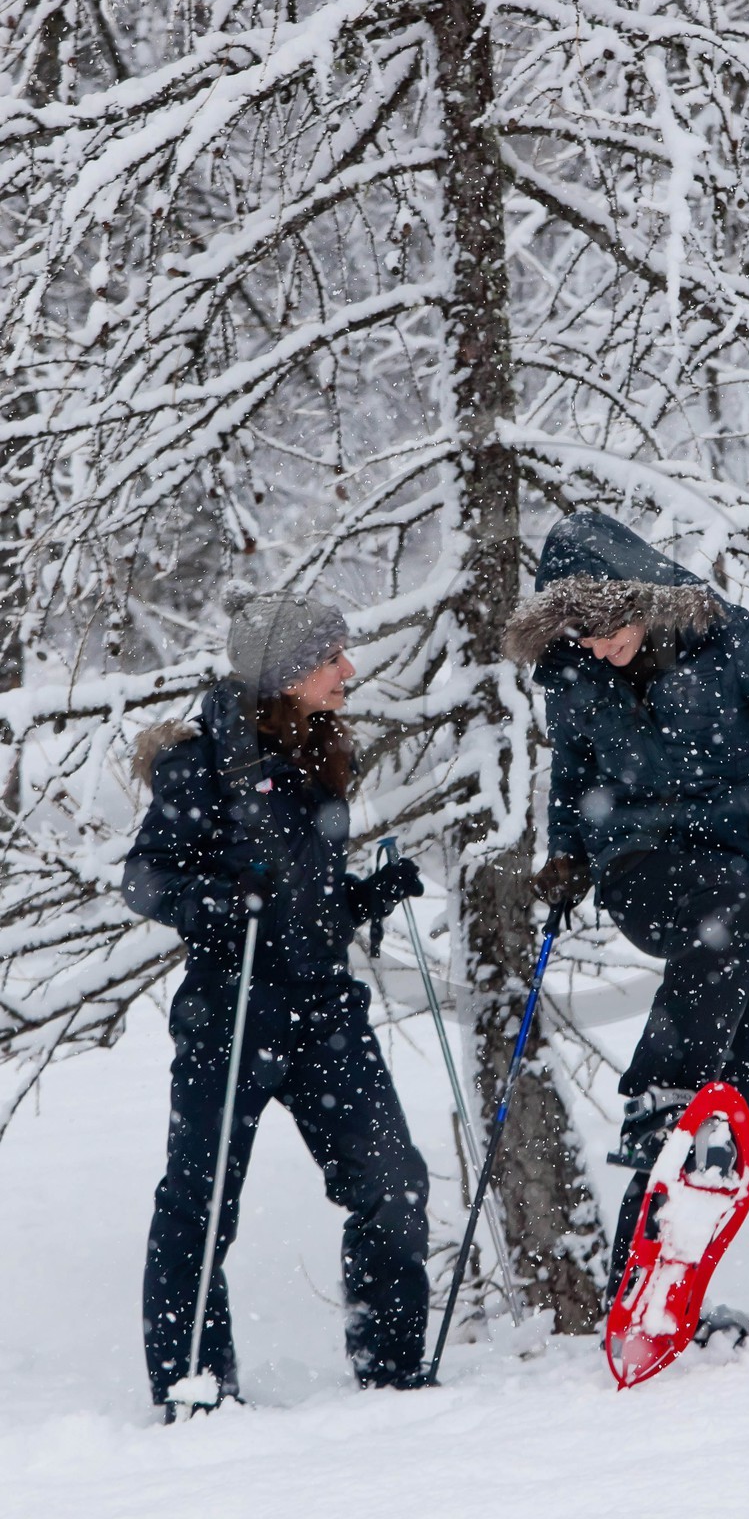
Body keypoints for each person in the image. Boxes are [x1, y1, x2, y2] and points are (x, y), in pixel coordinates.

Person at [504, 511, 749, 1296]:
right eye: (579, 634)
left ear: (642, 596)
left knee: (724, 1109)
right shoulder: (572, 672)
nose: (597, 647)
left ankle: (649, 1287)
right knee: (699, 1024)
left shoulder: (726, 638)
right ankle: (661, 1100)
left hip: (748, 874)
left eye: (604, 628)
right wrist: (565, 852)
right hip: (644, 865)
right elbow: (573, 775)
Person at [123, 583, 430, 1415]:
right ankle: (194, 1388)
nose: (347, 669)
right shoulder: (203, 764)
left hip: (325, 1010)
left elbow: (305, 896)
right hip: (233, 1012)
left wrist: (364, 897)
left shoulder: (320, 752)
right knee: (200, 1203)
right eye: (331, 658)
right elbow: (146, 879)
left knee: (393, 1182)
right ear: (289, 673)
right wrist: (214, 906)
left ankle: (397, 1379)